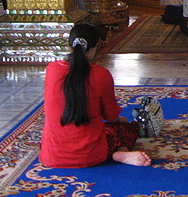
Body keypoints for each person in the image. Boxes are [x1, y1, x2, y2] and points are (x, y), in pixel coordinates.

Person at [40, 23, 152, 168]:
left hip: (53, 155)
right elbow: (110, 116)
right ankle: (120, 152)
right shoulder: (101, 74)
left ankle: (120, 153)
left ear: (69, 47)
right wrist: (120, 120)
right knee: (127, 129)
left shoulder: (52, 69)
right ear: (96, 47)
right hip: (92, 154)